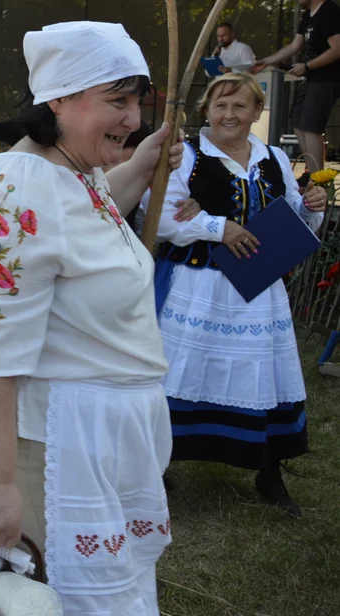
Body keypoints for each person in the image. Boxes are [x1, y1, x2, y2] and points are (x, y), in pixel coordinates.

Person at [0, 21, 186, 614]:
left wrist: (138, 167)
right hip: (42, 446)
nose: (133, 119)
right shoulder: (12, 193)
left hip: (87, 442)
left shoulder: (71, 175)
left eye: (138, 102)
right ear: (59, 98)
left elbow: (76, 232)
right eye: (116, 101)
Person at [148, 72, 326, 517]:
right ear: (206, 110)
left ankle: (269, 471)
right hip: (197, 285)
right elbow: (161, 219)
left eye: (240, 106)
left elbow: (289, 218)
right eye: (221, 105)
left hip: (258, 290)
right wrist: (217, 226)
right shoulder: (184, 156)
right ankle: (155, 467)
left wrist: (311, 208)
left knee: (260, 373)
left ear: (256, 113)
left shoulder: (272, 158)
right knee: (181, 370)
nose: (229, 114)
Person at [252, 0, 340, 177]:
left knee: (311, 127)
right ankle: (312, 172)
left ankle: (319, 180)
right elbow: (295, 45)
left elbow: (337, 49)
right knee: (299, 125)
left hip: (328, 78)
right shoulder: (307, 16)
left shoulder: (329, 12)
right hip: (312, 77)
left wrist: (307, 66)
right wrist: (266, 61)